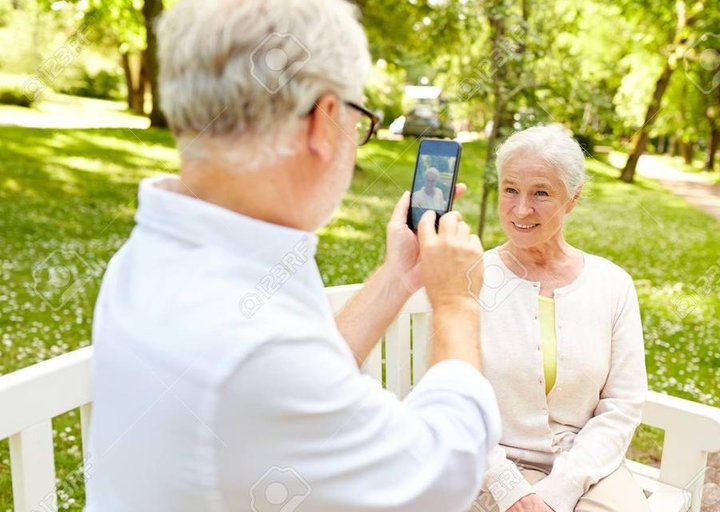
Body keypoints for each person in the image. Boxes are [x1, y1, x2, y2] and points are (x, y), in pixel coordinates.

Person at [83, 0, 501, 511]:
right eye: (361, 119)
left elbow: (304, 382)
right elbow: (441, 476)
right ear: (324, 122)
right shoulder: (251, 350)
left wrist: (398, 277)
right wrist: (457, 305)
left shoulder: (155, 257)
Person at [472, 125, 649, 512]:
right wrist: (509, 489)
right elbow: (453, 403)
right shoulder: (471, 279)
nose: (521, 209)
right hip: (487, 467)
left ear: (573, 197)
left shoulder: (612, 284)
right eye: (510, 189)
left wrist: (561, 490)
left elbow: (622, 404)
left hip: (588, 467)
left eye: (541, 193)